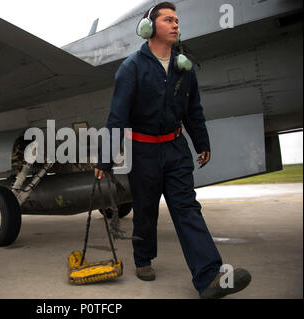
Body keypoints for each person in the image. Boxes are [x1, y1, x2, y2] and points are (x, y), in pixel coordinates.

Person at [95, 2, 251, 299]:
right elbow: (117, 117)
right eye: (168, 19)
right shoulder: (131, 69)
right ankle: (143, 259)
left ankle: (209, 276)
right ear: (149, 28)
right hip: (144, 152)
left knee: (187, 208)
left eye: (177, 20)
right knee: (145, 211)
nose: (176, 24)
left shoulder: (184, 68)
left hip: (176, 149)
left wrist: (201, 143)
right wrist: (106, 157)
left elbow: (194, 110)